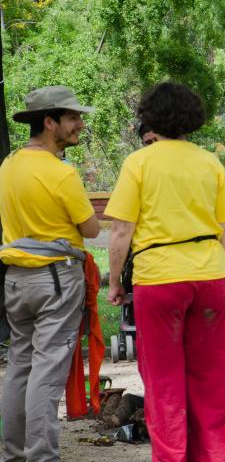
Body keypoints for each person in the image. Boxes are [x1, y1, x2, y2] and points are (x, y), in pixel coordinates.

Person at [106, 82, 225, 460]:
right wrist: (221, 272)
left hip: (160, 278)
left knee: (165, 383)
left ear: (149, 118)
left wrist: (115, 282)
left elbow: (121, 232)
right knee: (211, 380)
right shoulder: (209, 162)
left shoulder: (139, 163)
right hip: (211, 277)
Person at [0, 85, 101, 460]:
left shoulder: (8, 164)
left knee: (19, 368)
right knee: (47, 372)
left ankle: (13, 454)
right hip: (56, 279)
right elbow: (90, 229)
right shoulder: (60, 173)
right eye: (72, 118)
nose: (79, 125)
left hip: (16, 280)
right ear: (49, 121)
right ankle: (42, 456)